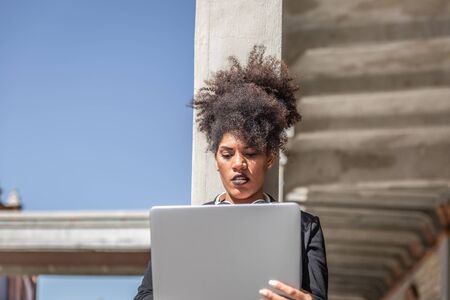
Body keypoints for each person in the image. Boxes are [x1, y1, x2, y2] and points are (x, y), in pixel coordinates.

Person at [134, 45, 328, 300]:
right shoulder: (182, 228)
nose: (238, 164)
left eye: (250, 153)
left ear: (269, 158)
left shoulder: (305, 228)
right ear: (216, 160)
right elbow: (145, 296)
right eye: (227, 154)